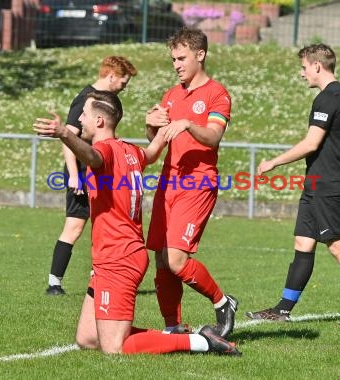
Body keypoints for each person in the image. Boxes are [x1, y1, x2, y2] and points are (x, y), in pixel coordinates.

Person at [33, 90, 241, 355]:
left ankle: (202, 341)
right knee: (87, 338)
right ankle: (177, 334)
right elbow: (152, 152)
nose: (80, 119)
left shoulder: (104, 152)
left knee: (113, 348)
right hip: (116, 255)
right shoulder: (129, 151)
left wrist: (65, 134)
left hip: (118, 259)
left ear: (99, 121)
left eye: (84, 114)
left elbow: (94, 158)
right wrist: (159, 127)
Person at [245, 43, 340, 326]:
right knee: (303, 242)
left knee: (338, 246)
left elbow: (311, 143)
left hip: (327, 184)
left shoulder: (328, 99)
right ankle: (282, 310)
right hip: (318, 182)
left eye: (304, 67)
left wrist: (274, 162)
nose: (302, 73)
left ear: (317, 66)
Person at [144, 27, 238, 339]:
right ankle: (172, 325)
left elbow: (212, 137)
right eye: (173, 59)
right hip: (167, 184)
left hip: (197, 184)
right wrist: (151, 125)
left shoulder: (217, 94)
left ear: (201, 55)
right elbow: (156, 144)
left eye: (181, 58)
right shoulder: (171, 95)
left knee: (176, 258)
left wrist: (187, 124)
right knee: (160, 257)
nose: (176, 65)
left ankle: (223, 303)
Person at [46, 56, 137, 295]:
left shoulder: (110, 101)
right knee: (74, 226)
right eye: (123, 82)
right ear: (111, 76)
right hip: (83, 171)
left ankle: (100, 277)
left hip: (100, 168)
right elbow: (68, 139)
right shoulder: (85, 100)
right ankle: (54, 283)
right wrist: (74, 176)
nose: (124, 87)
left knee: (105, 222)